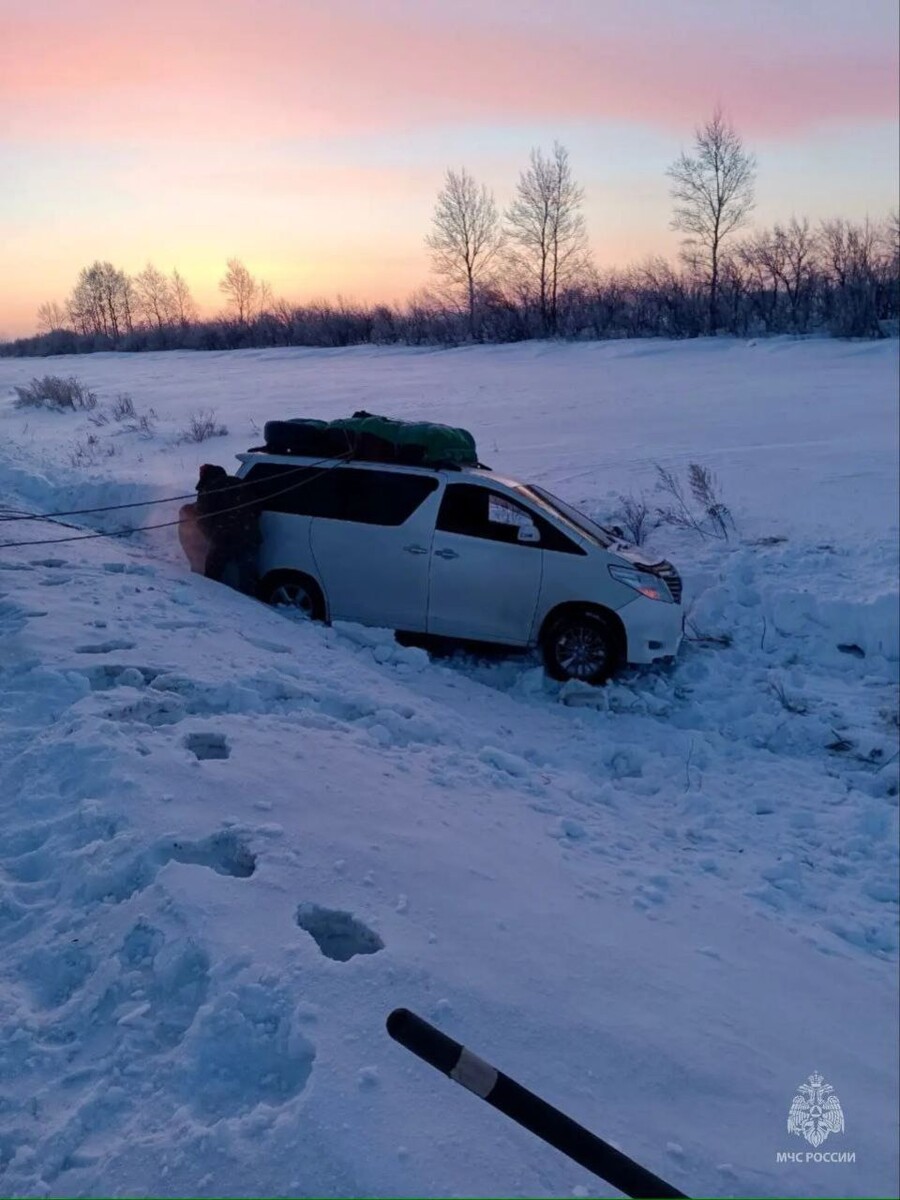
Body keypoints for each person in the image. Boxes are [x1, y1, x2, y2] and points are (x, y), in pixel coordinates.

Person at [194, 463, 262, 595]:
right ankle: (253, 601)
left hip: (225, 537)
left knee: (213, 572)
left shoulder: (210, 489)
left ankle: (211, 597)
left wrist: (209, 536)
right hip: (250, 536)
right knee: (247, 572)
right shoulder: (241, 484)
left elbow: (203, 517)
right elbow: (257, 509)